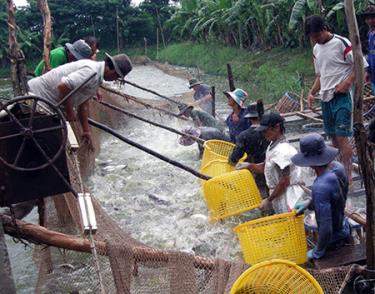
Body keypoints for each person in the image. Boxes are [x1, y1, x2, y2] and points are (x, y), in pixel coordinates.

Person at [305, 15, 368, 185]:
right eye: (312, 37)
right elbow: (320, 75)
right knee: (333, 138)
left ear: (324, 29)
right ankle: (338, 169)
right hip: (326, 98)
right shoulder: (316, 49)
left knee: (342, 137)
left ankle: (347, 175)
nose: (315, 39)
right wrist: (312, 93)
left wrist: (347, 83)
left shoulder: (342, 43)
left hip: (341, 98)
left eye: (317, 35)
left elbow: (360, 65)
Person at [28, 53, 132, 148]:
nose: (115, 80)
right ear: (110, 68)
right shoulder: (91, 72)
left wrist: (86, 131)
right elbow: (63, 86)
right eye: (116, 76)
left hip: (47, 104)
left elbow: (83, 105)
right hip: (36, 99)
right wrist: (69, 111)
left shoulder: (97, 78)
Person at [291, 133, 350, 260]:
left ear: (310, 162)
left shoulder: (320, 187)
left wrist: (317, 251)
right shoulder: (338, 168)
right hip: (343, 227)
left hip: (333, 239)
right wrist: (309, 203)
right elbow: (335, 198)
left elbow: (326, 227)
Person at [237, 112, 305, 213]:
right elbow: (265, 167)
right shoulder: (272, 146)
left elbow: (284, 181)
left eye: (265, 131)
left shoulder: (283, 151)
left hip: (289, 197)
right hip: (279, 195)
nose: (263, 134)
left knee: (290, 225)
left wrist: (269, 200)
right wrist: (249, 166)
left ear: (277, 127)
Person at [229, 103, 270, 197]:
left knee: (259, 194)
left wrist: (231, 161)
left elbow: (234, 158)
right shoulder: (271, 131)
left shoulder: (243, 136)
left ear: (249, 119)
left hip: (254, 169)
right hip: (272, 167)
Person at [362, 5, 375, 92]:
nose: (370, 20)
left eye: (372, 18)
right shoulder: (370, 33)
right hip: (373, 73)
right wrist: (367, 71)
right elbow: (371, 53)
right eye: (368, 18)